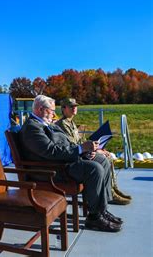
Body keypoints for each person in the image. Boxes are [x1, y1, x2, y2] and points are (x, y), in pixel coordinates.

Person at [19, 95, 122, 232]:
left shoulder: (46, 124)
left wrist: (83, 152)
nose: (54, 114)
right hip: (52, 171)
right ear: (40, 109)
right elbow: (51, 152)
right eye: (51, 110)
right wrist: (80, 149)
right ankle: (95, 217)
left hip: (64, 162)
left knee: (102, 160)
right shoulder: (32, 128)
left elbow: (65, 145)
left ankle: (101, 210)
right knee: (94, 168)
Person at [56, 98, 131, 205]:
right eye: (71, 106)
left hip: (82, 153)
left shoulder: (71, 123)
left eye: (76, 106)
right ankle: (110, 193)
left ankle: (112, 189)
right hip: (76, 158)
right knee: (104, 159)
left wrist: (96, 148)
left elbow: (81, 141)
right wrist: (93, 150)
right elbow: (73, 146)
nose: (74, 108)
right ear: (63, 108)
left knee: (107, 155)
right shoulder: (63, 124)